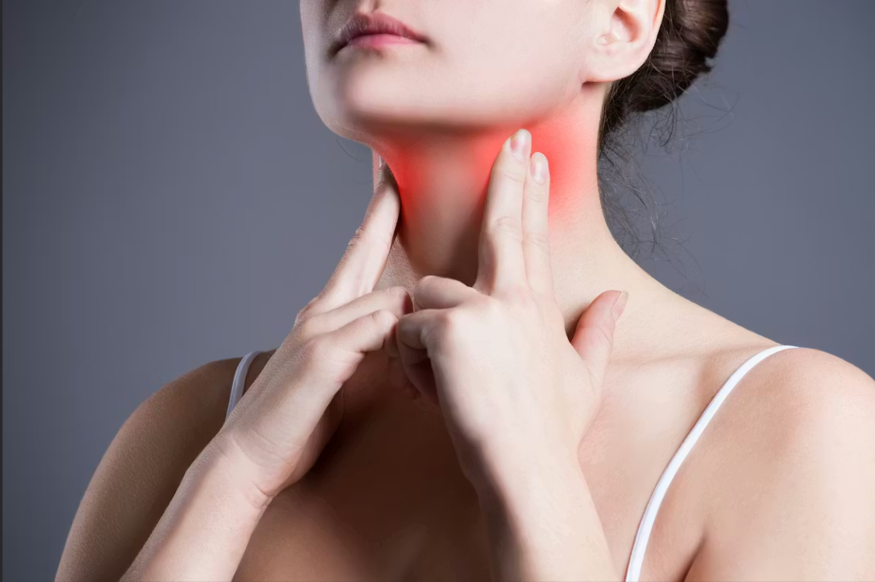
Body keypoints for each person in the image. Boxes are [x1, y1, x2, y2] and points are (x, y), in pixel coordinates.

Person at [56, 0, 875, 580]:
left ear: (620, 20)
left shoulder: (799, 434)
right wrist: (232, 477)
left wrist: (537, 486)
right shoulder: (192, 431)